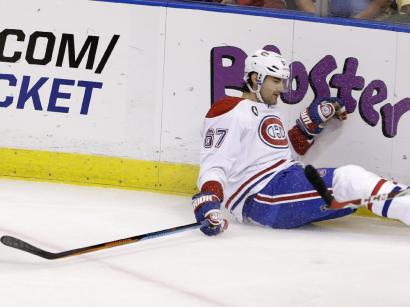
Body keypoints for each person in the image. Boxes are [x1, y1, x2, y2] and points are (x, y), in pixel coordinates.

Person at [192, 49, 410, 236]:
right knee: (349, 181)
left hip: (283, 182)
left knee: (354, 187)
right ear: (255, 79)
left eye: (283, 81)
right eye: (275, 80)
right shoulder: (229, 110)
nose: (281, 88)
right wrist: (210, 199)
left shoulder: (269, 110)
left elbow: (282, 153)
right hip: (262, 197)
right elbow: (214, 161)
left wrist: (310, 123)